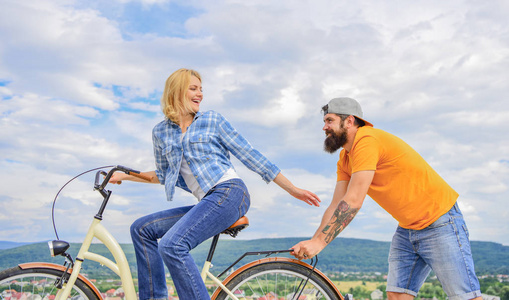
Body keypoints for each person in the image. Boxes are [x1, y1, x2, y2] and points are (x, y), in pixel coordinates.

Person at [109, 68, 321, 300]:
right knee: (142, 229)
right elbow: (163, 174)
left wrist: (292, 189)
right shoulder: (160, 132)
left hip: (230, 193)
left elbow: (250, 154)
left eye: (201, 89)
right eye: (193, 88)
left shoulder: (212, 120)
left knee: (172, 245)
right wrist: (125, 175)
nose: (200, 94)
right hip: (208, 202)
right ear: (176, 91)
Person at [291, 97, 482, 300]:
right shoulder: (345, 159)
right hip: (408, 228)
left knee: (465, 296)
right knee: (397, 295)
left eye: (329, 120)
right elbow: (337, 205)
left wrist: (320, 243)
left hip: (440, 221)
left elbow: (353, 201)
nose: (324, 127)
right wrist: (314, 240)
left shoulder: (367, 141)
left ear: (349, 121)